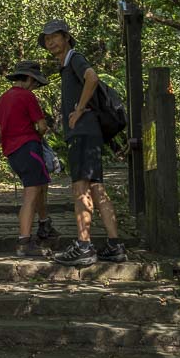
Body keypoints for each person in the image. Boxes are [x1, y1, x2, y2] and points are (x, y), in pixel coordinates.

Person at [38, 19, 126, 266]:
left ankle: (84, 246)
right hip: (91, 134)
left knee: (80, 187)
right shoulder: (66, 65)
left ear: (66, 37)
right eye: (46, 39)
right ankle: (115, 245)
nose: (50, 42)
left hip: (83, 133)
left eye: (54, 36)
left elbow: (92, 77)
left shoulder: (74, 58)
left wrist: (79, 110)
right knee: (97, 188)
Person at [0, 60, 60, 257]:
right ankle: (24, 241)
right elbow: (42, 126)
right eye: (35, 83)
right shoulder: (27, 96)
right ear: (29, 78)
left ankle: (44, 225)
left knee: (39, 186)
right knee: (31, 195)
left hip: (13, 152)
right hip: (29, 148)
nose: (35, 87)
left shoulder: (3, 98)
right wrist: (33, 133)